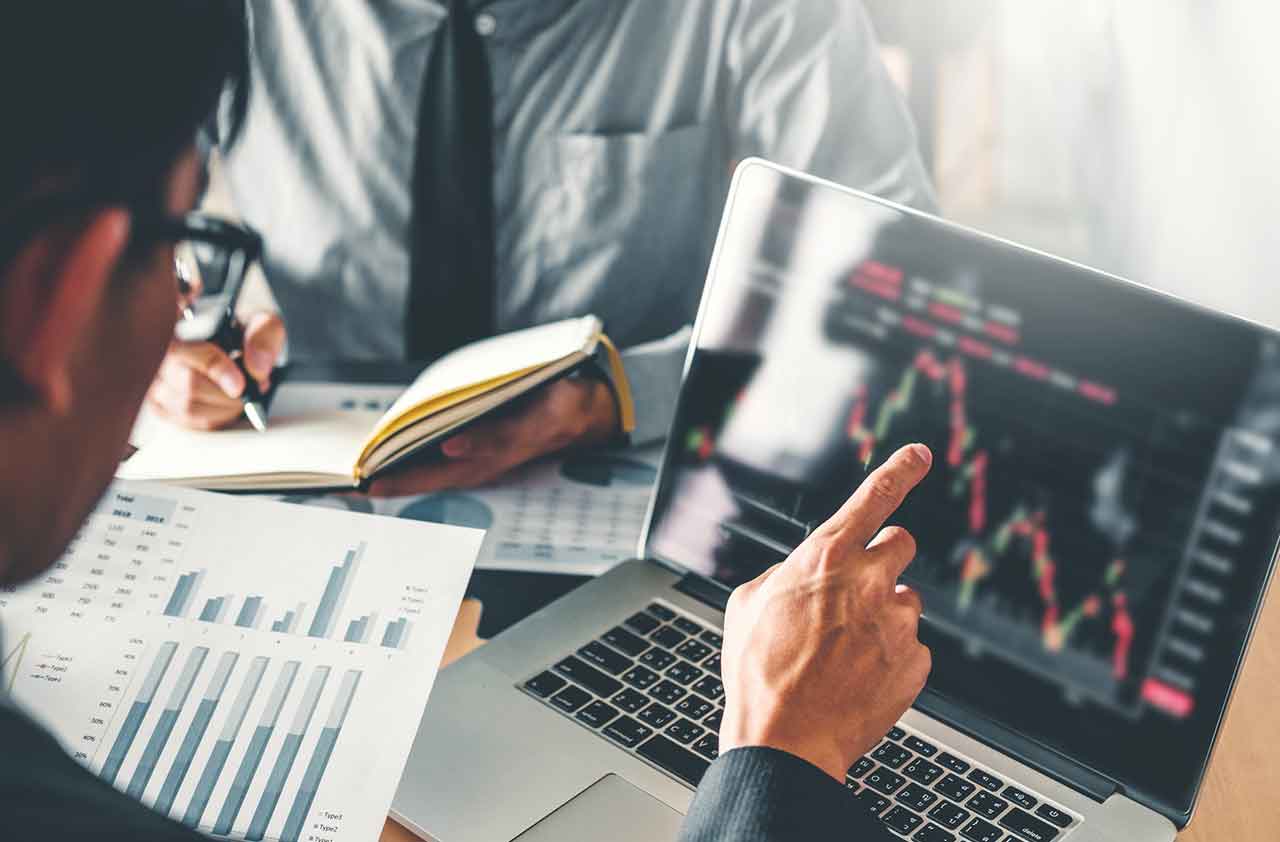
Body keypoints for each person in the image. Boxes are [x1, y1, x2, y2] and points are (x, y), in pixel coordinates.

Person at [0, 4, 931, 840]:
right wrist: (186, 324)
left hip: (635, 519)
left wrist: (622, 390)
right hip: (315, 518)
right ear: (61, 291)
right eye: (171, 244)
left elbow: (896, 280)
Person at [146, 0, 936, 496]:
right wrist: (157, 330)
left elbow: (894, 285)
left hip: (634, 464)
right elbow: (97, 218)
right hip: (305, 458)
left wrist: (624, 396)